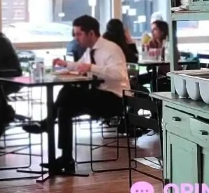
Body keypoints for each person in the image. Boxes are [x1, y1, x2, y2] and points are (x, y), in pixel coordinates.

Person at [22, 15, 130, 174]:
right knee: (64, 110)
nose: (76, 38)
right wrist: (66, 64)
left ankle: (46, 123)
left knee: (68, 91)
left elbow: (119, 75)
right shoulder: (90, 50)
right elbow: (81, 66)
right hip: (97, 95)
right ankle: (66, 159)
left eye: (79, 34)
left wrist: (92, 68)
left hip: (114, 99)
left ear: (91, 33)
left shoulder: (111, 49)